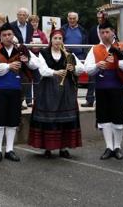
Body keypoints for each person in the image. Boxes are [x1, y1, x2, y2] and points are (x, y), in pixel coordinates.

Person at [28, 26, 84, 159]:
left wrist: (73, 68)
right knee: (48, 118)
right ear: (51, 40)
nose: (58, 41)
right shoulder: (44, 53)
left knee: (65, 118)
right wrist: (55, 72)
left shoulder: (69, 53)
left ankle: (63, 148)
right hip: (48, 89)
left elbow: (81, 68)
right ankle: (48, 148)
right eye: (55, 38)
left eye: (60, 38)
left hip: (66, 90)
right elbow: (42, 70)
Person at [0, 22, 39, 163]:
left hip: (16, 89)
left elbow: (36, 63)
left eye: (10, 34)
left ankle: (9, 150)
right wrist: (8, 66)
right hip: (0, 89)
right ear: (0, 36)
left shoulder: (20, 49)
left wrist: (27, 60)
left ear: (13, 35)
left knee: (12, 120)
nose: (7, 37)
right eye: (4, 35)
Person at [84, 21, 123, 160]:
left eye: (107, 32)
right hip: (101, 88)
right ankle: (109, 147)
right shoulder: (95, 49)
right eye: (102, 32)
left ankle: (117, 147)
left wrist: (117, 62)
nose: (104, 35)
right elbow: (87, 69)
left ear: (113, 32)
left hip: (117, 88)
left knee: (117, 118)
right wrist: (97, 65)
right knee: (104, 118)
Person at [83, 11, 108, 108]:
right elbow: (88, 43)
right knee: (91, 79)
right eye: (98, 18)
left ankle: (103, 100)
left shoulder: (110, 29)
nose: (100, 19)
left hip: (106, 57)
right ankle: (89, 100)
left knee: (105, 79)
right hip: (94, 56)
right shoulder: (93, 29)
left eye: (102, 17)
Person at [10, 8, 34, 110]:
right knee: (18, 78)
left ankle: (27, 100)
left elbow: (29, 39)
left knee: (28, 78)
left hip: (27, 54)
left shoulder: (30, 26)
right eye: (19, 14)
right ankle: (18, 102)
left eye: (24, 15)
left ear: (27, 16)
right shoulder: (12, 25)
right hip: (15, 55)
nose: (21, 16)